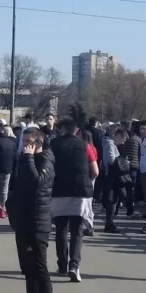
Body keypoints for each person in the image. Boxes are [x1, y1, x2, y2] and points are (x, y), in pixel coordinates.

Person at [6, 127, 55, 293]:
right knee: (28, 268)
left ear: (38, 143)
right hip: (24, 221)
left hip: (38, 222)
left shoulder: (45, 160)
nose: (24, 145)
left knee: (40, 269)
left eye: (28, 142)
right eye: (23, 141)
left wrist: (28, 158)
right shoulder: (28, 160)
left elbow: (37, 183)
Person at [50, 118, 99, 281]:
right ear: (77, 130)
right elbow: (95, 171)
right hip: (80, 191)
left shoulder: (53, 145)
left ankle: (62, 266)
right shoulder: (86, 146)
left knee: (61, 229)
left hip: (58, 191)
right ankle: (74, 266)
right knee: (77, 231)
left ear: (62, 129)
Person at [102, 127, 130, 233]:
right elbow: (112, 160)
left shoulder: (111, 145)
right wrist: (123, 162)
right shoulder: (110, 145)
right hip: (111, 176)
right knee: (112, 200)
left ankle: (110, 222)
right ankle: (109, 223)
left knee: (114, 200)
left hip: (112, 175)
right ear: (118, 136)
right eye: (122, 140)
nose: (122, 143)